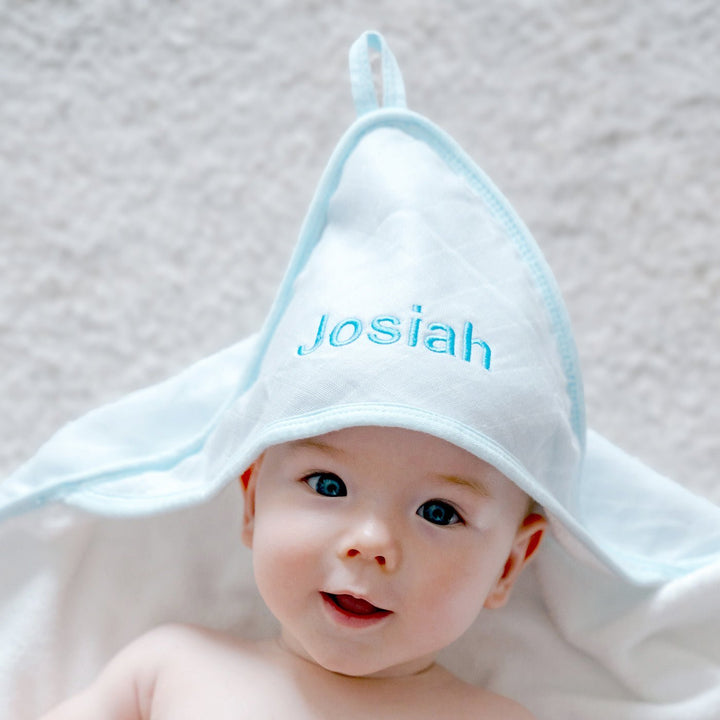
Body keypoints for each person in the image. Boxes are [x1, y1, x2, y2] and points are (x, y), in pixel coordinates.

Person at [41, 425, 547, 719]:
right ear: (253, 505)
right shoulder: (169, 666)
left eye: (439, 512)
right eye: (328, 484)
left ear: (507, 565)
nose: (371, 543)